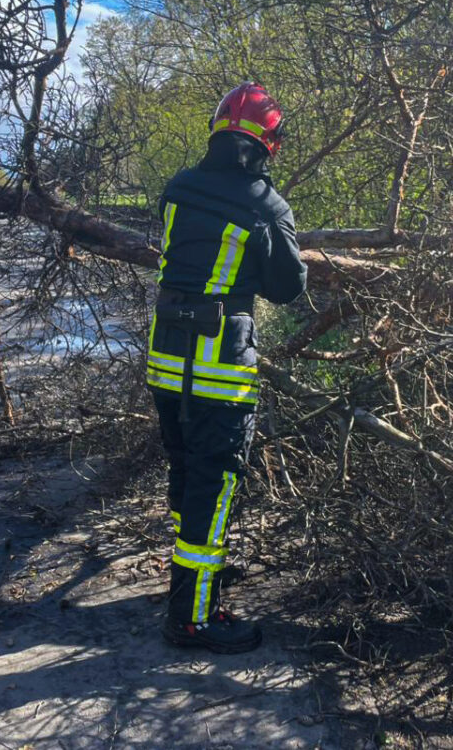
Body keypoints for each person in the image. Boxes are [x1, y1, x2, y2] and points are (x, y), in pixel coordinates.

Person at [147, 82, 308, 653]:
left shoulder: (178, 187)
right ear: (269, 143)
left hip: (165, 361)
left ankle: (191, 583)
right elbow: (287, 287)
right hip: (220, 367)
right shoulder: (265, 203)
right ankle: (192, 617)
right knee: (215, 486)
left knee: (186, 473)